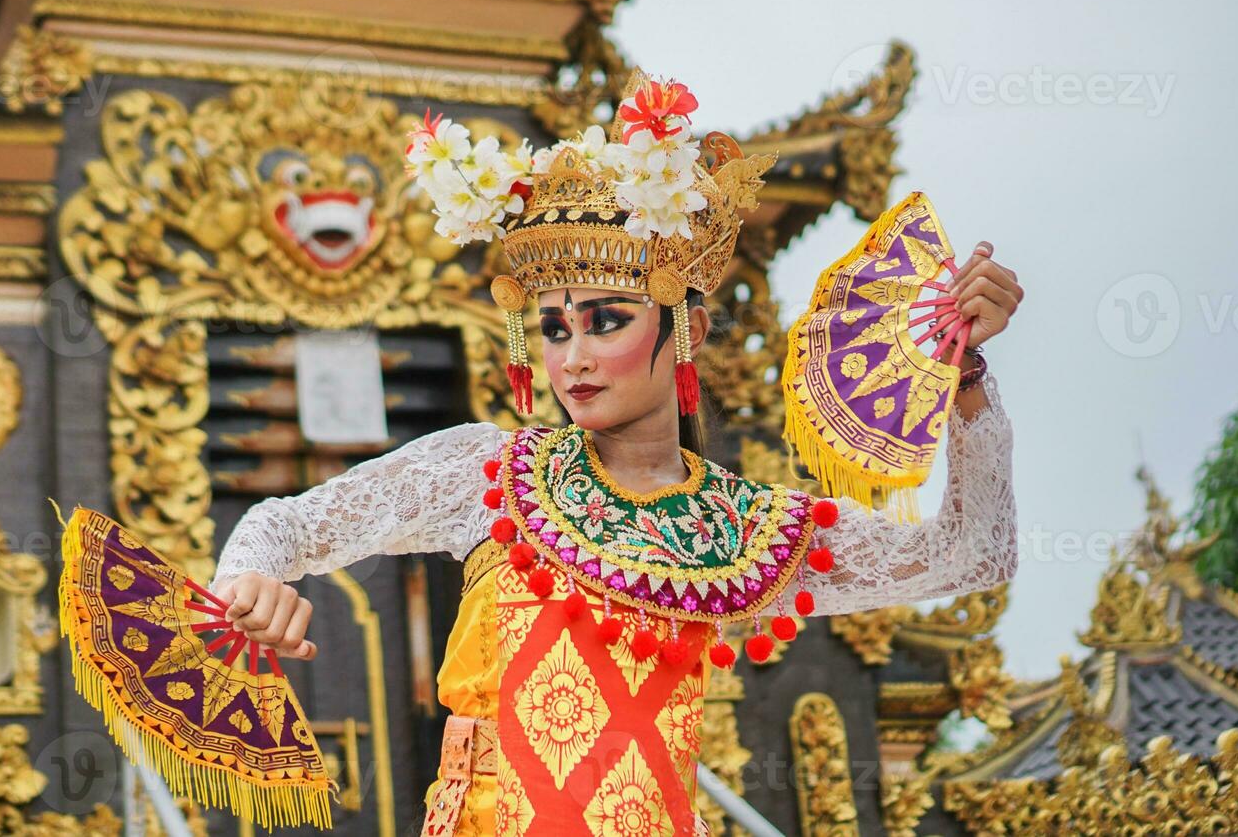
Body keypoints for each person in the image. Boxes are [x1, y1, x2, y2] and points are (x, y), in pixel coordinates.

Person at [211, 74, 1022, 835]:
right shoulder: (485, 477)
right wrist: (249, 578)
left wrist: (967, 379)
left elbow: (970, 556)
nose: (574, 360)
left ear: (687, 331)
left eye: (606, 321)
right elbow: (283, 526)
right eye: (555, 330)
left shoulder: (747, 531)